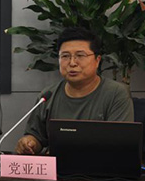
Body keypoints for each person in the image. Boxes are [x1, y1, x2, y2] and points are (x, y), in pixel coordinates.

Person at [15, 27, 133, 155]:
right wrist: (29, 143)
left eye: (80, 55)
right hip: (56, 166)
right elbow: (36, 137)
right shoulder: (47, 96)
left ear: (97, 60)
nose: (72, 63)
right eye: (65, 56)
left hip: (98, 166)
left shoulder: (116, 93)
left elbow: (119, 144)